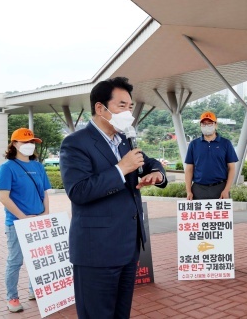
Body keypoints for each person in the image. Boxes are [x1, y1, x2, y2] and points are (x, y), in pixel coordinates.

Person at [59, 77, 168, 318]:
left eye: (130, 107)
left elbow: (149, 162)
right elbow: (78, 191)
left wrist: (157, 175)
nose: (128, 113)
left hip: (127, 247)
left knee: (121, 313)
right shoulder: (75, 143)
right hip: (96, 250)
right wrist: (121, 169)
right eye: (121, 106)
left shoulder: (125, 140)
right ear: (101, 108)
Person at [0, 128, 51, 313]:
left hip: (38, 221)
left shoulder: (38, 166)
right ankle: (12, 298)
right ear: (14, 144)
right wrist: (23, 218)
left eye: (31, 142)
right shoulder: (6, 168)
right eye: (24, 142)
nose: (29, 145)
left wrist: (45, 213)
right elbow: (4, 197)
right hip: (17, 223)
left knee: (37, 259)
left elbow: (44, 192)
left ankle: (33, 290)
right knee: (15, 261)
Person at [185, 111, 238, 200]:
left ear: (215, 125)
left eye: (210, 124)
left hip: (220, 188)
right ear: (200, 126)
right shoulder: (193, 144)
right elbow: (189, 169)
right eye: (204, 124)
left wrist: (226, 190)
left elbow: (231, 168)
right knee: (199, 214)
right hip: (198, 188)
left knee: (220, 214)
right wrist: (188, 191)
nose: (207, 126)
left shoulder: (225, 143)